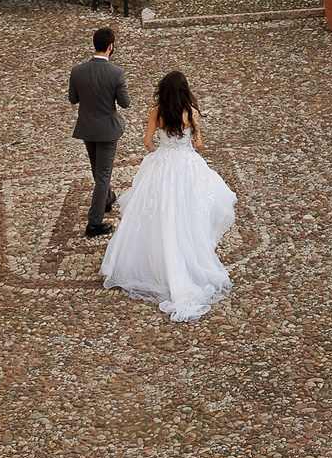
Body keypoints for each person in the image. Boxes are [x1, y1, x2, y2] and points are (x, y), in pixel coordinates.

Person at [100, 70, 237, 321]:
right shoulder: (191, 113)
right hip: (186, 166)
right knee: (187, 209)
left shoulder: (157, 112)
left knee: (158, 211)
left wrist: (157, 153)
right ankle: (188, 251)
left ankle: (158, 258)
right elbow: (198, 145)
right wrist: (192, 140)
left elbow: (146, 141)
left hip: (163, 164)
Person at [67, 26, 130, 237]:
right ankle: (94, 222)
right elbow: (125, 102)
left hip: (87, 127)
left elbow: (73, 99)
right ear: (111, 47)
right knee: (102, 174)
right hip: (108, 131)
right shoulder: (116, 73)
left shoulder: (77, 71)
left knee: (97, 170)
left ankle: (107, 197)